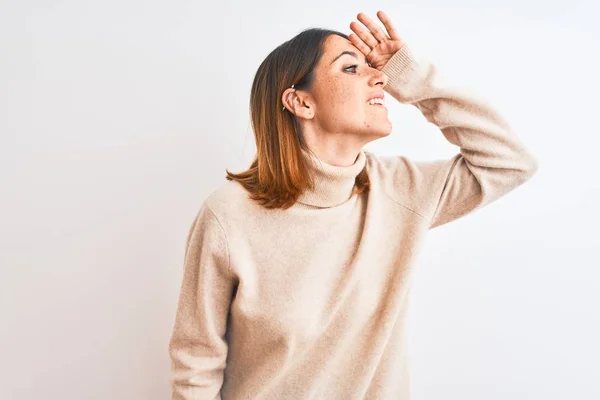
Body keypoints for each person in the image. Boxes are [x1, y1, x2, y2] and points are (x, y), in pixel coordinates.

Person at [168, 10, 538, 400]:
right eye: (350, 69)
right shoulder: (228, 217)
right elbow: (196, 363)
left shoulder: (400, 191)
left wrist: (413, 80)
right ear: (300, 102)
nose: (379, 77)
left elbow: (510, 161)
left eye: (373, 69)